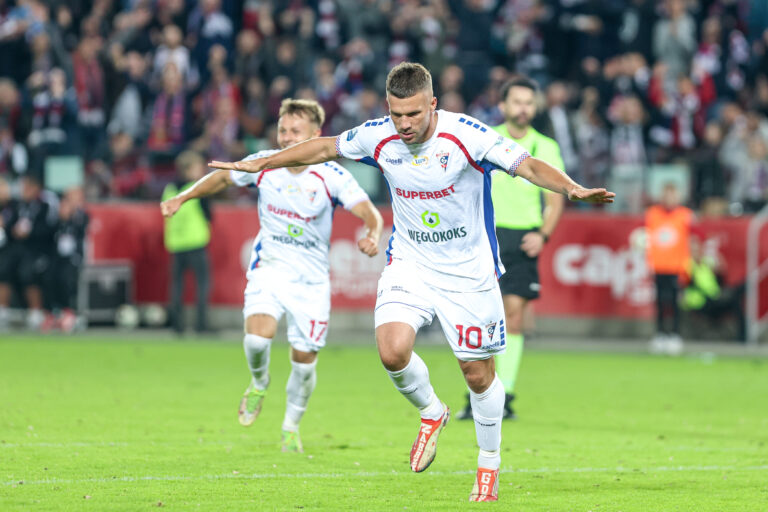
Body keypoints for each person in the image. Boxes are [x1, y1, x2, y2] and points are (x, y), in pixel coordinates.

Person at [208, 63, 614, 502]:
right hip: (411, 261)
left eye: (414, 115)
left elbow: (528, 165)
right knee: (392, 350)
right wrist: (264, 161)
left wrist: (572, 190)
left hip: (467, 271)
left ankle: (488, 464)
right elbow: (322, 148)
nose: (404, 124)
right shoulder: (378, 134)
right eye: (397, 114)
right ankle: (431, 411)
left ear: (432, 104)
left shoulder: (466, 135)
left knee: (477, 375)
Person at [161, 99, 383, 453]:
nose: (287, 137)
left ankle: (291, 426)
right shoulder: (264, 164)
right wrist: (184, 198)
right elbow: (221, 178)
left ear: (315, 135)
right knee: (256, 341)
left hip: (310, 282)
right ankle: (259, 382)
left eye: (296, 131)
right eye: (283, 129)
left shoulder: (332, 175)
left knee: (304, 365)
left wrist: (372, 233)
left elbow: (369, 212)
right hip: (270, 269)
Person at [457, 76, 566, 422]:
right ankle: (479, 393)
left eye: (529, 102)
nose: (523, 108)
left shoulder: (545, 146)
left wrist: (543, 235)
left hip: (523, 239)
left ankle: (505, 394)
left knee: (514, 317)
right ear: (502, 106)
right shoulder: (486, 138)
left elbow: (555, 198)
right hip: (485, 238)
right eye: (516, 101)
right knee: (480, 318)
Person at [162, 151, 213, 334]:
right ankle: (201, 325)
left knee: (177, 286)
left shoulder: (169, 189)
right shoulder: (198, 189)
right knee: (202, 284)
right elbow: (208, 216)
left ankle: (177, 326)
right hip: (196, 243)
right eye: (198, 167)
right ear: (189, 169)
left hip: (176, 243)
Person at [645, 182, 693, 355]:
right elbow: (647, 238)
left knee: (674, 303)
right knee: (659, 303)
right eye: (666, 194)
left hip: (677, 267)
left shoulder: (685, 215)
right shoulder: (652, 214)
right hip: (658, 265)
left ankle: (675, 335)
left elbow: (692, 239)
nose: (669, 198)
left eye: (672, 195)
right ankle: (660, 335)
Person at [46, 186, 89, 333]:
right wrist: (61, 218)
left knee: (67, 279)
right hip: (58, 256)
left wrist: (71, 216)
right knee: (50, 276)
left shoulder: (82, 215)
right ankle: (55, 311)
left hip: (74, 256)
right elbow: (51, 232)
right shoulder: (58, 214)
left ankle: (70, 311)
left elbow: (82, 229)